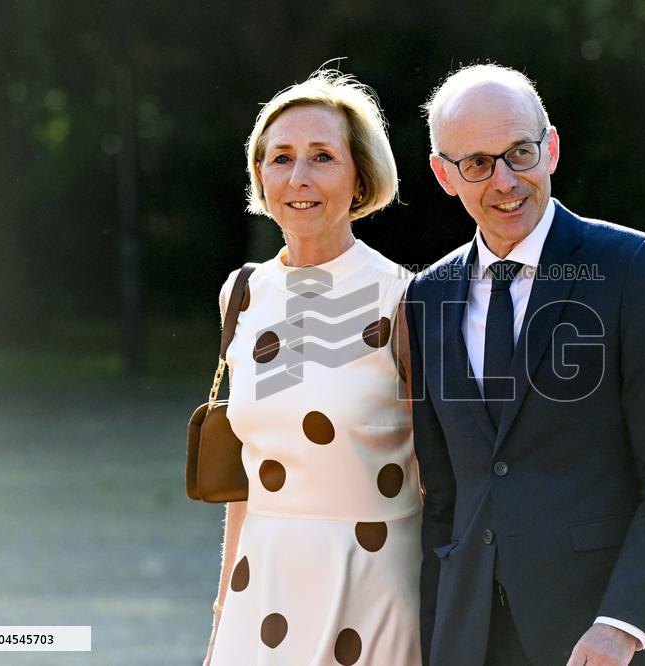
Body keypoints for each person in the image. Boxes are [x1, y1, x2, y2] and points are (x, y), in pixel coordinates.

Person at [405, 64, 645, 666]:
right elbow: (444, 497)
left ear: (552, 149)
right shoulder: (426, 297)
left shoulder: (633, 267)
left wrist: (620, 625)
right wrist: (441, 640)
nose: (505, 181)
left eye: (520, 152)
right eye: (478, 163)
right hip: (475, 639)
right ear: (444, 175)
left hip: (609, 637)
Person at [203, 70, 421, 666]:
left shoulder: (403, 298)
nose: (299, 177)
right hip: (261, 585)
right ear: (261, 176)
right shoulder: (242, 294)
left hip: (372, 585)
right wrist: (222, 615)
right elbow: (246, 477)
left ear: (360, 177)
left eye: (322, 156)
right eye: (281, 158)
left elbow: (437, 475)